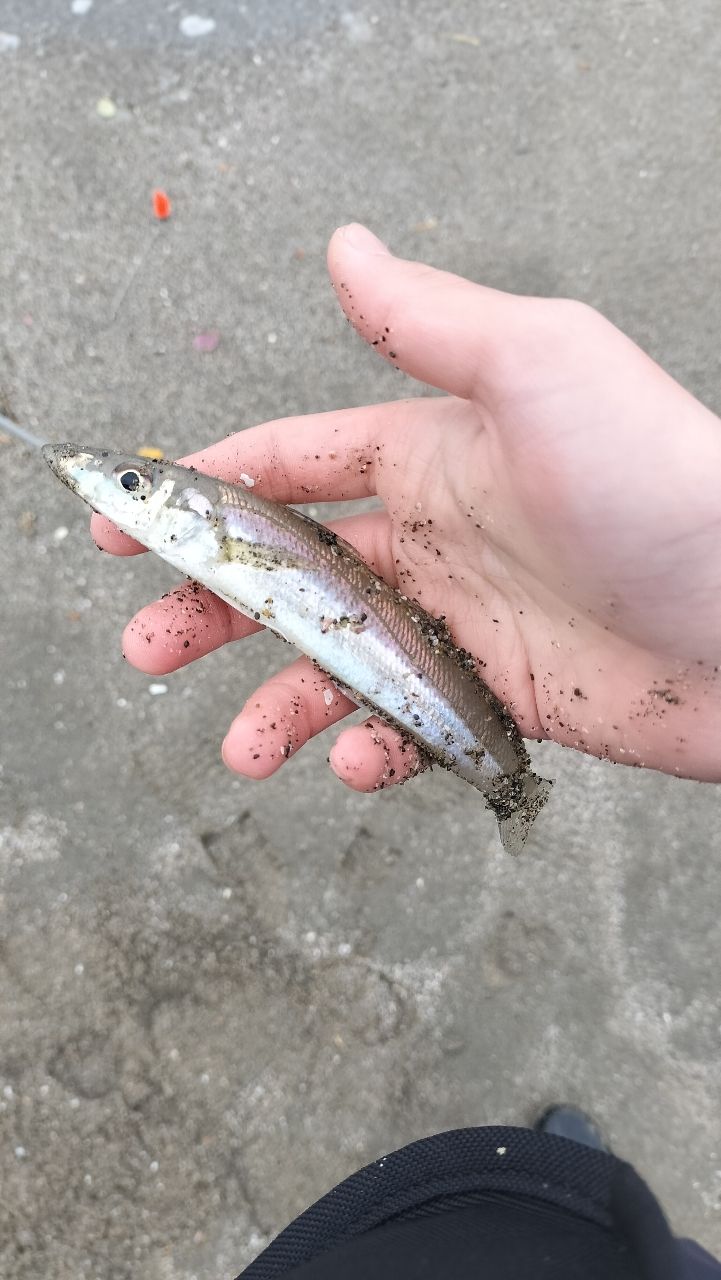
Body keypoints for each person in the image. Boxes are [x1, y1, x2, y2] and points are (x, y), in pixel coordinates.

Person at [92, 226, 721, 1277]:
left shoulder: (216, 514)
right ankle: (571, 1188)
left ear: (187, 509)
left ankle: (554, 1186)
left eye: (129, 482)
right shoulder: (210, 519)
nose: (116, 491)